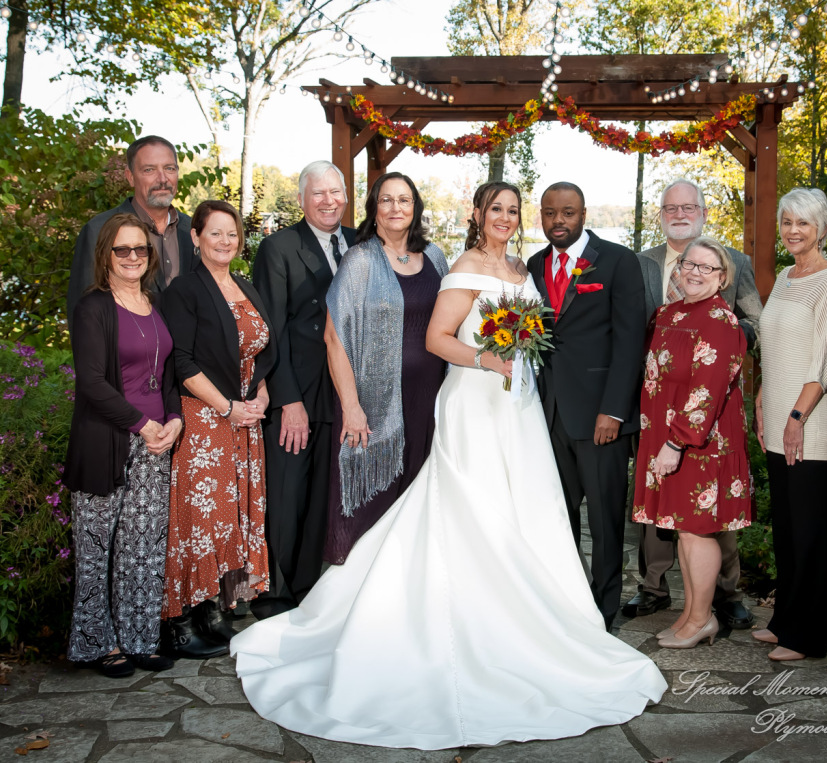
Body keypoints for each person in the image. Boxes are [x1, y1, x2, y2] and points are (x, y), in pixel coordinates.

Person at [230, 180, 666, 749]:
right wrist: (488, 358)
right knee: (470, 511)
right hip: (475, 402)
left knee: (522, 511)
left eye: (513, 210)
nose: (505, 218)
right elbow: (437, 338)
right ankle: (460, 624)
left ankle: (531, 621)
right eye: (496, 210)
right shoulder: (460, 267)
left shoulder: (523, 268)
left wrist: (517, 361)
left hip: (519, 408)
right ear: (478, 214)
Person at [628, 178, 761, 629]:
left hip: (701, 425)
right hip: (659, 419)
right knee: (669, 519)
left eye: (689, 206)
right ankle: (656, 589)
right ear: (661, 214)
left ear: (703, 212)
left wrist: (719, 339)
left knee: (704, 520)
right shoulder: (643, 267)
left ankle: (720, 598)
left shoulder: (730, 277)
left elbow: (752, 325)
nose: (680, 214)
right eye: (671, 208)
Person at [64, 213, 182, 677]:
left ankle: (140, 639)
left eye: (140, 249)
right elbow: (91, 382)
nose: (133, 257)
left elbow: (168, 373)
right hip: (107, 443)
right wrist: (143, 425)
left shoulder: (154, 304)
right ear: (106, 256)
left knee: (144, 547)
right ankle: (98, 644)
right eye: (122, 250)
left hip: (156, 442)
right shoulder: (93, 308)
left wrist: (172, 419)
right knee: (97, 549)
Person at [525, 182, 646, 630]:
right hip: (547, 414)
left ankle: (604, 608)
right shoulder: (534, 266)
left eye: (568, 212)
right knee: (557, 515)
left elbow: (631, 340)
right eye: (550, 212)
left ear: (583, 214)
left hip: (600, 416)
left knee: (605, 517)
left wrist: (614, 411)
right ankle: (568, 600)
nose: (559, 220)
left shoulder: (617, 261)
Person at [161, 200, 276, 657]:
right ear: (196, 237)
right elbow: (183, 363)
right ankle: (180, 620)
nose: (225, 241)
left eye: (232, 234)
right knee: (200, 520)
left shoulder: (245, 287)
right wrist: (228, 407)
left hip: (246, 421)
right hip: (207, 421)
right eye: (215, 233)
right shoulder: (183, 291)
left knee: (231, 520)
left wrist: (261, 397)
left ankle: (213, 610)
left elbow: (259, 352)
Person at [250, 161, 357, 619]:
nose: (329, 200)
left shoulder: (359, 244)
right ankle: (275, 592)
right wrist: (287, 400)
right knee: (288, 491)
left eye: (336, 192)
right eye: (318, 193)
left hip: (343, 386)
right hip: (297, 386)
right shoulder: (278, 247)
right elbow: (269, 329)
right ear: (301, 200)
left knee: (323, 492)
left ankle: (311, 586)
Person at [323, 172, 447, 561]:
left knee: (419, 496)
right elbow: (334, 338)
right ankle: (361, 591)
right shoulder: (360, 260)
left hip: (429, 399)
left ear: (416, 208)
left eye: (404, 200)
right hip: (376, 404)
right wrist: (352, 406)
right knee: (375, 503)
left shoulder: (437, 257)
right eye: (387, 200)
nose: (396, 208)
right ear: (374, 209)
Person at [752, 188, 827, 661]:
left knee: (809, 529)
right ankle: (784, 620)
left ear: (821, 228)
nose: (792, 231)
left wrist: (795, 416)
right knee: (786, 525)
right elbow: (776, 346)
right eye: (786, 221)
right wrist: (766, 393)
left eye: (802, 223)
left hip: (807, 421)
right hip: (779, 415)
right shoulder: (787, 277)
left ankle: (806, 635)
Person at [68, 136, 197, 327]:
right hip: (126, 354)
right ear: (130, 177)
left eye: (169, 168)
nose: (162, 179)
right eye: (149, 170)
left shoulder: (194, 230)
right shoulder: (98, 230)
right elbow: (82, 314)